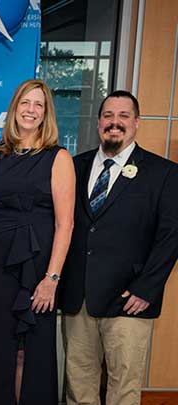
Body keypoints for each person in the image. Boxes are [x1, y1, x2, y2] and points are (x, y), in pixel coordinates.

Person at [0, 79, 75, 405]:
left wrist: (51, 279)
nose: (31, 110)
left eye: (38, 105)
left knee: (28, 350)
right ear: (15, 108)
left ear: (45, 114)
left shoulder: (58, 157)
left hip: (36, 266)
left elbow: (65, 224)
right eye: (25, 102)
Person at [59, 90, 178, 405]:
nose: (115, 122)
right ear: (99, 123)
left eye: (124, 116)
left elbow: (171, 236)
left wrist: (147, 288)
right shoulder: (73, 166)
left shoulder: (164, 173)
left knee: (123, 388)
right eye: (109, 116)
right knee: (78, 386)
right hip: (78, 296)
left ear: (137, 123)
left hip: (129, 299)